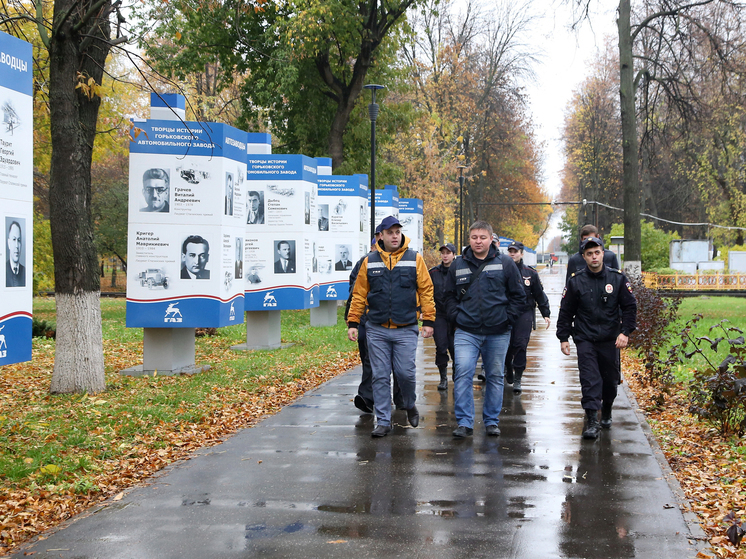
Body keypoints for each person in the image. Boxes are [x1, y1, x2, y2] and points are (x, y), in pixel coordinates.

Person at [347, 216, 436, 437]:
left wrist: (429, 320)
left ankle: (409, 404)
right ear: (381, 236)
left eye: (397, 232)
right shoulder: (369, 261)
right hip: (377, 328)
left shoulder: (414, 259)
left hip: (406, 327)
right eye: (390, 232)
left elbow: (426, 290)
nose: (394, 236)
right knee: (379, 375)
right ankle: (384, 421)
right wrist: (353, 322)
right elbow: (359, 294)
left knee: (405, 373)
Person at [444, 220, 526, 438]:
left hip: (498, 332)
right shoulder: (458, 264)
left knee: (495, 376)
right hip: (466, 330)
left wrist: (507, 318)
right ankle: (464, 422)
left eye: (482, 237)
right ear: (469, 239)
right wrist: (456, 316)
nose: (478, 241)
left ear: (491, 239)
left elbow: (519, 297)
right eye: (474, 237)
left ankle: (491, 421)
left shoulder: (506, 263)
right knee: (462, 372)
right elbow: (448, 296)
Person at [557, 237, 637, 439]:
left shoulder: (617, 279)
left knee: (610, 381)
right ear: (584, 257)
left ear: (603, 254)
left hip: (611, 339)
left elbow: (629, 307)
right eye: (589, 254)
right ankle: (592, 421)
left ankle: (607, 408)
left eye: (597, 252)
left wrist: (625, 332)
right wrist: (563, 337)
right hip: (585, 338)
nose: (594, 257)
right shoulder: (576, 281)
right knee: (590, 379)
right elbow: (566, 311)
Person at [504, 241, 551, 394]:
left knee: (520, 344)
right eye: (510, 251)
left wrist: (546, 313)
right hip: (506, 312)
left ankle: (518, 377)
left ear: (521, 253)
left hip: (524, 313)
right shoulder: (501, 271)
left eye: (515, 251)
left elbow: (539, 294)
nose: (512, 254)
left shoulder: (530, 273)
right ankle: (508, 367)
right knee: (506, 345)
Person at [429, 242, 457, 391]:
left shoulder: (459, 271)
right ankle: (443, 377)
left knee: (455, 347)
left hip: (456, 316)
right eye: (443, 253)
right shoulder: (433, 273)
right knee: (441, 346)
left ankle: (456, 375)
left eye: (448, 253)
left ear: (454, 255)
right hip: (439, 314)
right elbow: (426, 292)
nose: (445, 255)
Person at [6, 220, 25, 287]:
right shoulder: (3, 270)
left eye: (19, 240)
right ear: (9, 243)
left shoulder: (25, 272)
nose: (17, 245)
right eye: (14, 239)